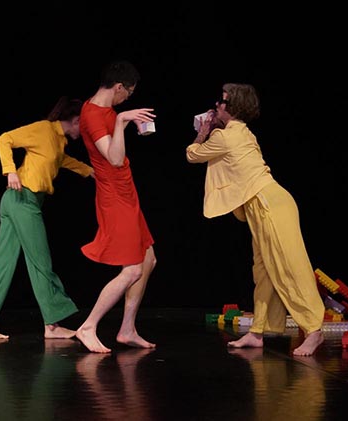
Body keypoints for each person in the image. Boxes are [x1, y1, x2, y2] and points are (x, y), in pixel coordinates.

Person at [186, 83, 325, 356]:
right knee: (263, 271)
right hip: (264, 205)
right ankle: (257, 331)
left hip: (269, 205)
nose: (217, 105)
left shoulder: (224, 137)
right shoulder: (243, 132)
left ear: (234, 107)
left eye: (222, 102)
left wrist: (202, 132)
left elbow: (192, 155)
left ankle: (314, 329)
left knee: (289, 267)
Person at [0, 96, 94, 339]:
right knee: (40, 260)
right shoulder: (44, 129)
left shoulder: (58, 140)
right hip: (22, 199)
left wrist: (88, 171)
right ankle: (52, 325)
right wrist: (10, 171)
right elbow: (5, 138)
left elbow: (61, 160)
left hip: (20, 201)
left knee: (3, 261)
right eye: (85, 125)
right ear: (77, 120)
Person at [74, 60, 157, 353]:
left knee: (148, 259)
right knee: (132, 269)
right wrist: (122, 121)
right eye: (128, 93)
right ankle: (88, 327)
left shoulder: (106, 111)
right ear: (119, 87)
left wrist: (123, 122)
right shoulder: (93, 115)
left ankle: (127, 329)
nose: (127, 99)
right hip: (114, 197)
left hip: (126, 192)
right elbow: (113, 158)